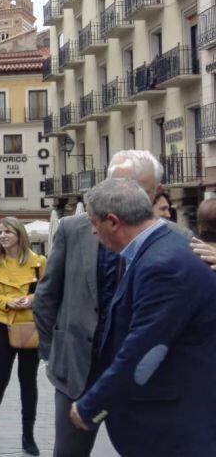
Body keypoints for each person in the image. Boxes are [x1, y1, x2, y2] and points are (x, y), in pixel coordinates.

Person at [33, 150, 204, 456]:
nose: (117, 195)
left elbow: (149, 341)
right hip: (77, 373)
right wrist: (52, 354)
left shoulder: (177, 245)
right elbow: (46, 296)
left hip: (143, 383)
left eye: (131, 189)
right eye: (113, 185)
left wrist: (91, 406)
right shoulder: (74, 230)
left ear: (152, 193)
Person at [69, 178, 216, 456]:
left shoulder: (162, 264)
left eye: (93, 222)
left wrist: (92, 406)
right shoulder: (164, 247)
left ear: (112, 222)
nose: (92, 230)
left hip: (172, 430)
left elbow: (145, 348)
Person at [0, 217, 45, 456]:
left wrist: (31, 300)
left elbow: (47, 291)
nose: (3, 235)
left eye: (8, 231)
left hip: (29, 327)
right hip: (1, 327)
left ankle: (28, 436)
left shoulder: (38, 262)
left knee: (28, 382)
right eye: (0, 232)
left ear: (19, 234)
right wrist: (8, 302)